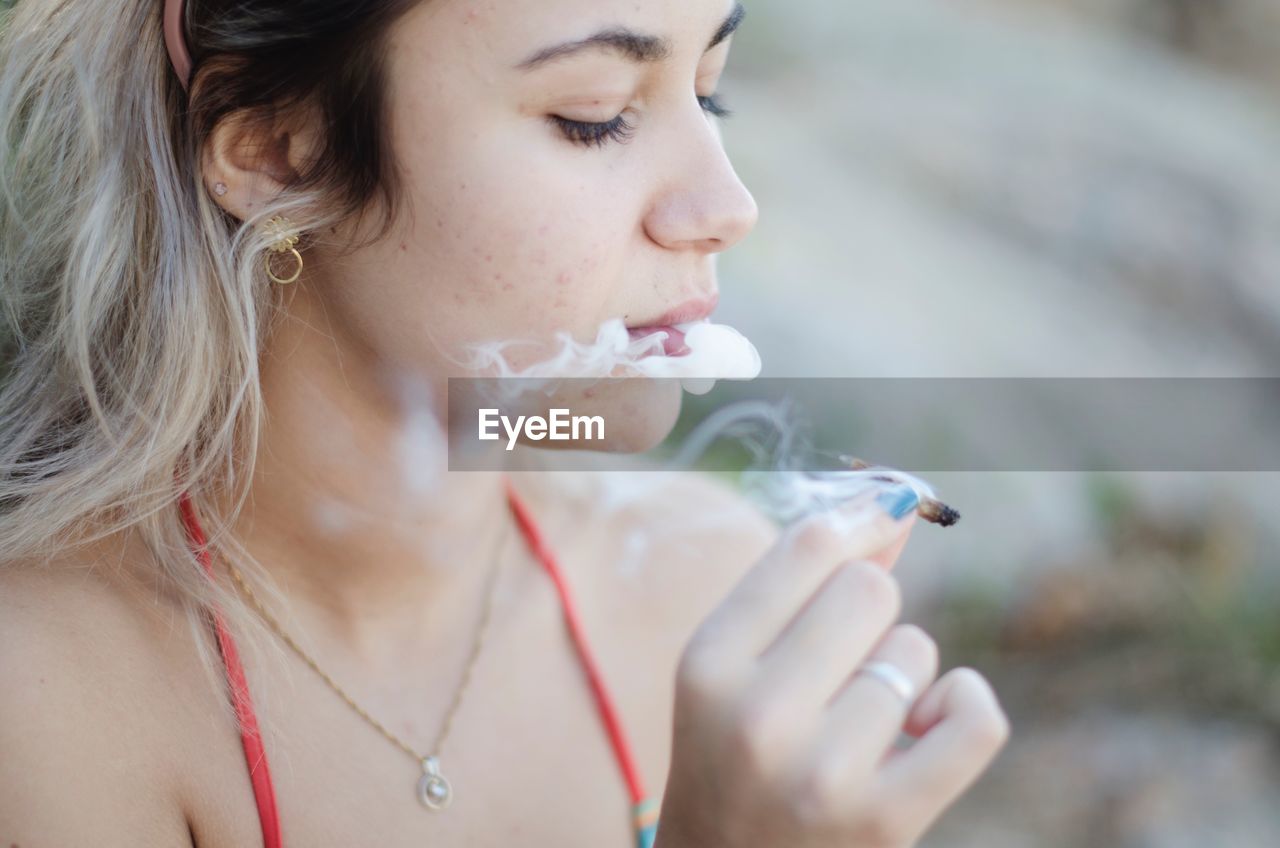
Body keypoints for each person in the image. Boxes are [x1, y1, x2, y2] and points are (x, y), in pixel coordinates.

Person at [0, 1, 1009, 846]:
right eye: (594, 116)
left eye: (709, 93)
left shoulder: (709, 595)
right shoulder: (45, 699)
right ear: (276, 150)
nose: (723, 204)